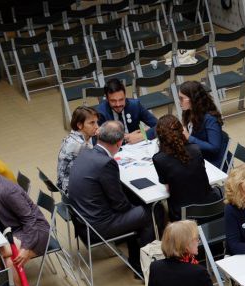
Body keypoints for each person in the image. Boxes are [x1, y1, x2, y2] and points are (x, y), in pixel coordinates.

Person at [66, 120, 155, 276]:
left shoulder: (86, 152)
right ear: (120, 142)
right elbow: (120, 204)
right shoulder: (106, 163)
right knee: (148, 213)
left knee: (135, 207)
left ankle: (136, 259)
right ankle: (143, 267)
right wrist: (135, 209)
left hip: (82, 221)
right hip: (98, 227)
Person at [152, 114, 220, 224]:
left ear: (160, 137)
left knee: (160, 208)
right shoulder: (195, 149)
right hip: (211, 208)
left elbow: (168, 188)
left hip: (184, 216)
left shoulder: (159, 159)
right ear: (181, 131)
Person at [178, 80, 228, 168]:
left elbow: (214, 148)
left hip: (211, 162)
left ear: (192, 99)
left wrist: (189, 137)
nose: (179, 102)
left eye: (181, 98)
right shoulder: (188, 112)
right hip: (197, 156)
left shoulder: (210, 119)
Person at [94, 78, 158, 143]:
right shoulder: (100, 113)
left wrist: (143, 135)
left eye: (121, 100)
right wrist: (125, 139)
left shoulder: (135, 105)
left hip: (137, 146)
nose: (118, 104)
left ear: (125, 96)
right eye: (113, 101)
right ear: (107, 99)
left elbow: (159, 126)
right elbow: (98, 140)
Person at [56, 105, 98, 193]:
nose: (96, 126)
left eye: (96, 122)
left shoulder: (77, 136)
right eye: (92, 123)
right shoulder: (80, 144)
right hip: (71, 190)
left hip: (67, 183)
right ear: (79, 125)